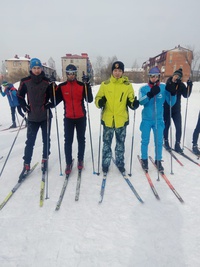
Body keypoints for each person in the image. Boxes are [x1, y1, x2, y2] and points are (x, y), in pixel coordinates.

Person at [95, 61, 139, 174]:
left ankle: (120, 163)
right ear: (112, 71)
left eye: (120, 71)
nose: (117, 73)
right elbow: (97, 99)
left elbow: (130, 99)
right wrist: (100, 102)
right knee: (106, 144)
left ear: (122, 72)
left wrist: (133, 104)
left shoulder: (127, 86)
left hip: (121, 120)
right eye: (115, 70)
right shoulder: (105, 84)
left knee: (120, 144)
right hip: (108, 119)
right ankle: (105, 164)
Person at [52, 64, 93, 174]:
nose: (71, 75)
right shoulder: (62, 86)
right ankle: (68, 163)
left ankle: (80, 160)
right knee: (68, 141)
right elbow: (54, 102)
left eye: (73, 73)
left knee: (81, 139)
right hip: (68, 118)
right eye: (69, 73)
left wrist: (87, 85)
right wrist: (52, 86)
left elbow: (89, 100)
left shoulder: (81, 85)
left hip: (81, 117)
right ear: (66, 74)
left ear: (75, 74)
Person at [17, 58, 53, 182]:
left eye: (38, 68)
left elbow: (54, 97)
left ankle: (45, 159)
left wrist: (51, 103)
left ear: (41, 69)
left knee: (46, 139)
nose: (37, 70)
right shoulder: (25, 81)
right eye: (34, 68)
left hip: (45, 116)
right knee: (30, 142)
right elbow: (19, 96)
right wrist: (23, 106)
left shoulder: (47, 82)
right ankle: (26, 164)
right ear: (31, 69)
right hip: (32, 117)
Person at [138, 66, 177, 171]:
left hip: (158, 120)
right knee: (145, 141)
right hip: (146, 119)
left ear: (159, 76)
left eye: (155, 76)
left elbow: (171, 102)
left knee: (159, 141)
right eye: (151, 76)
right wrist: (150, 94)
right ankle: (144, 159)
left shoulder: (163, 88)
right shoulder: (143, 89)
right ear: (149, 77)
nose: (153, 78)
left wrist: (173, 94)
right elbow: (141, 101)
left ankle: (158, 160)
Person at [163, 68, 193, 153]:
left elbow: (186, 95)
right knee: (167, 126)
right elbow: (171, 89)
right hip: (167, 109)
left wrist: (189, 86)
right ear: (173, 75)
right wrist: (174, 83)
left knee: (178, 127)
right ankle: (166, 141)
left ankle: (177, 144)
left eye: (179, 76)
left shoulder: (181, 85)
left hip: (176, 110)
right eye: (175, 75)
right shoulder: (168, 82)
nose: (176, 77)